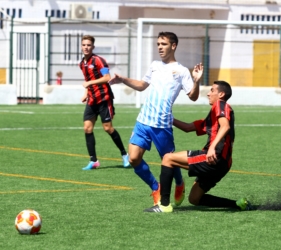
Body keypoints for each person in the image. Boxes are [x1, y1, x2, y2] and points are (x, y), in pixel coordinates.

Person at [108, 32, 203, 206]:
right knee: (133, 158)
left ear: (173, 46)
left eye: (164, 44)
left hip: (162, 125)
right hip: (143, 121)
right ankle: (155, 187)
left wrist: (196, 81)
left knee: (170, 161)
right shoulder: (154, 65)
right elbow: (142, 85)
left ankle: (180, 184)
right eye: (158, 43)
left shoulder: (182, 71)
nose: (159, 47)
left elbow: (193, 96)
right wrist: (122, 79)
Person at [144, 80, 251, 213]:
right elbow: (189, 128)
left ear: (221, 94)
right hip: (224, 164)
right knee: (194, 198)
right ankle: (238, 204)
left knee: (168, 158)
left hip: (214, 157)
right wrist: (167, 118)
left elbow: (225, 126)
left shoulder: (220, 104)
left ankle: (164, 205)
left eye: (212, 90)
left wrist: (212, 148)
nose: (208, 94)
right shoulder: (212, 116)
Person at [79, 35, 130, 170]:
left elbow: (107, 77)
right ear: (81, 46)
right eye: (84, 45)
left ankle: (125, 155)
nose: (86, 47)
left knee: (108, 128)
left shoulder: (99, 61)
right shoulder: (82, 63)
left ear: (93, 47)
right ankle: (93, 160)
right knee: (87, 128)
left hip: (103, 98)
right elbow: (87, 79)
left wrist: (90, 83)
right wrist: (86, 93)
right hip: (92, 99)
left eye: (89, 45)